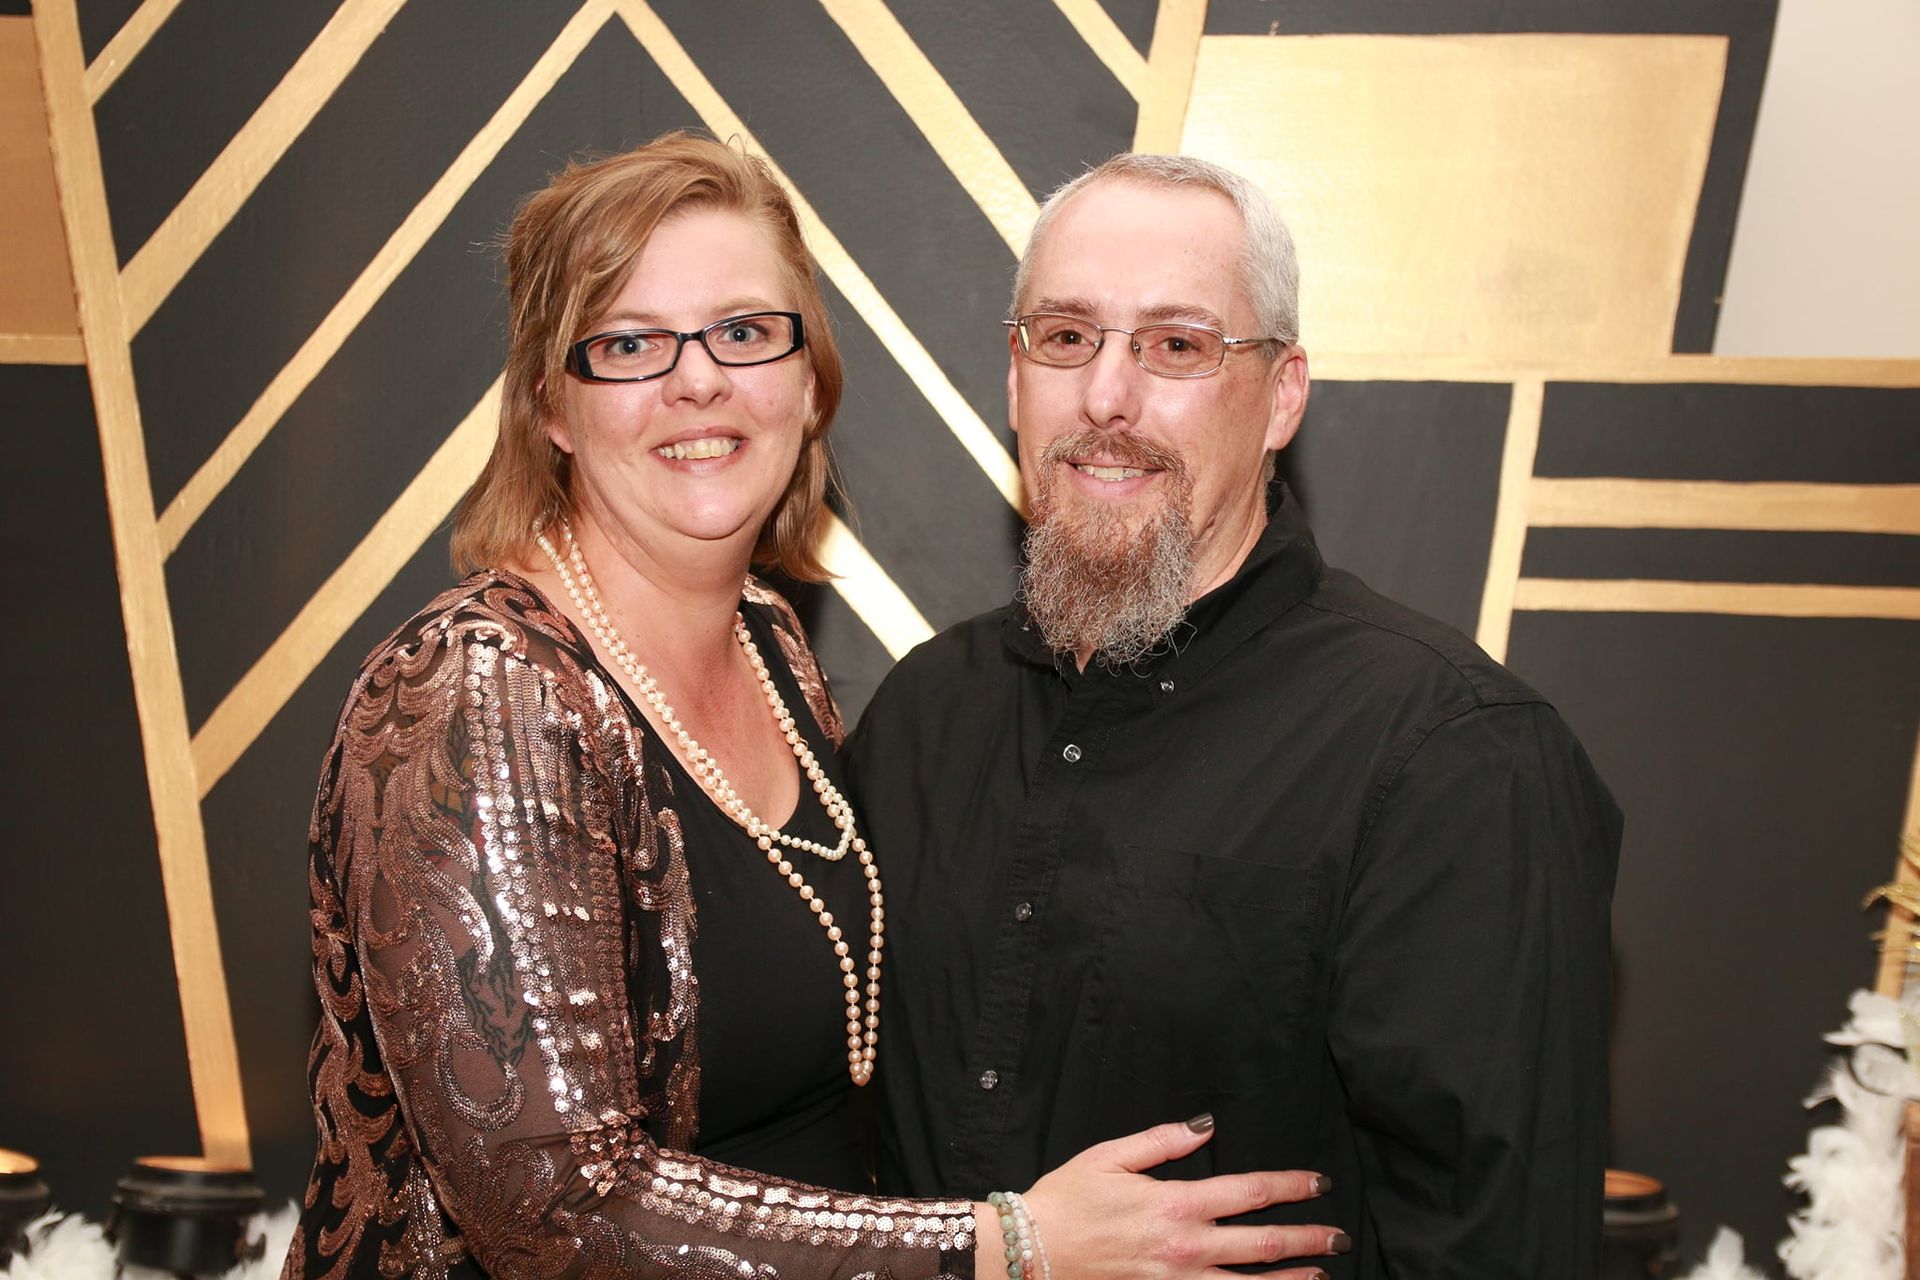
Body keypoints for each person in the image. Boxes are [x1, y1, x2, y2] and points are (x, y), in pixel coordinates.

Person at [287, 134, 1348, 1280]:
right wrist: (1005, 1243)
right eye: (630, 343)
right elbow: (554, 1210)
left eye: (745, 332)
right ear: (551, 404)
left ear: (807, 381)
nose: (699, 381)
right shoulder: (476, 686)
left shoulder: (769, 644)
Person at [843, 153, 1624, 1278]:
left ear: (1283, 394)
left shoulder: (1456, 752)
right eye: (1066, 336)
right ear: (1015, 379)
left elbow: (1503, 1245)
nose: (1107, 397)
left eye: (1177, 346)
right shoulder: (924, 714)